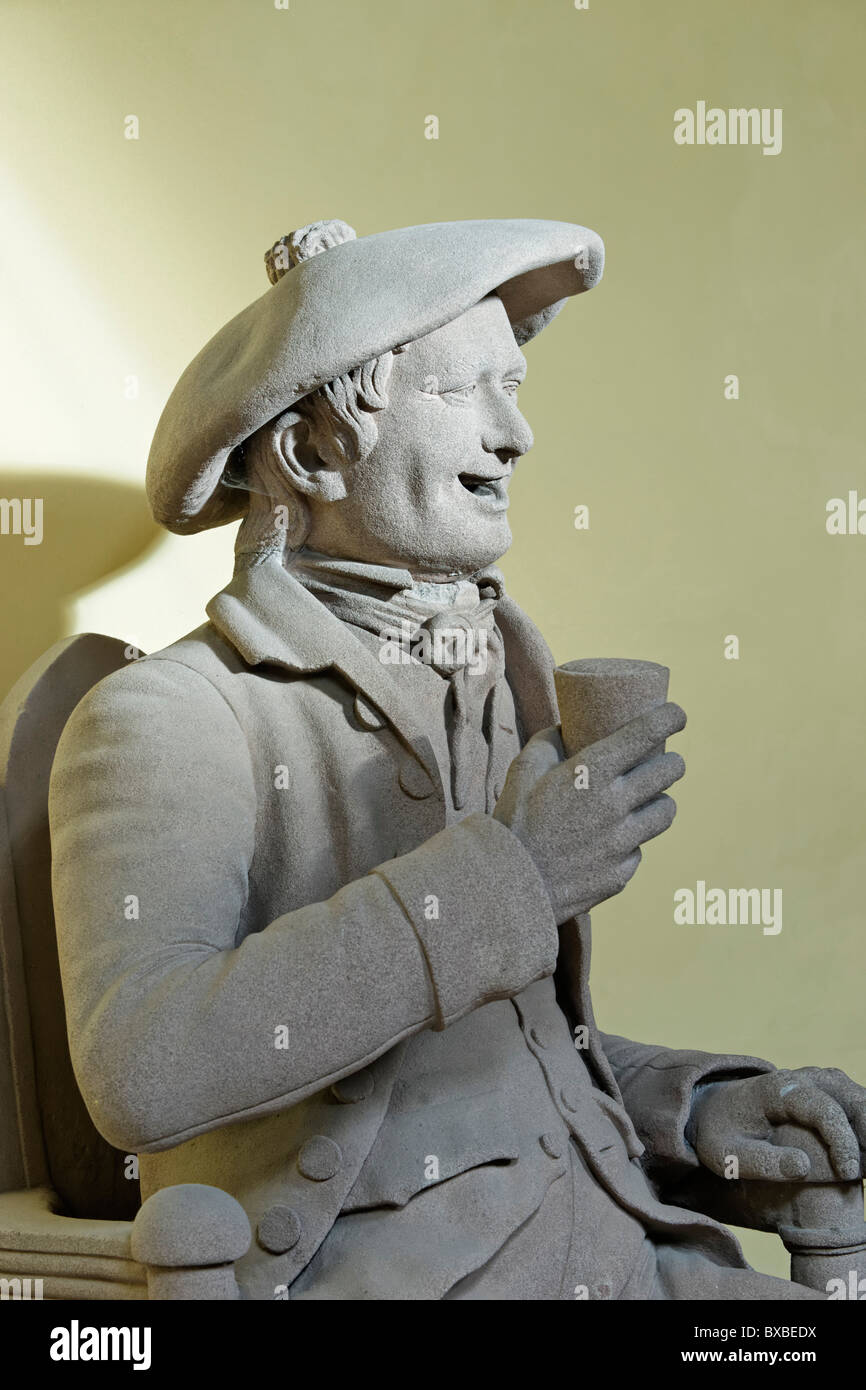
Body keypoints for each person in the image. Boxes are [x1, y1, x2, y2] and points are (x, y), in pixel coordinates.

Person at [49, 218, 863, 1299]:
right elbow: (140, 1068)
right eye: (462, 393)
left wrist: (694, 1108)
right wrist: (512, 879)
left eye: (512, 388)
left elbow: (496, 1056)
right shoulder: (168, 714)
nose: (516, 433)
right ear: (308, 453)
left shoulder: (495, 674)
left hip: (633, 1259)